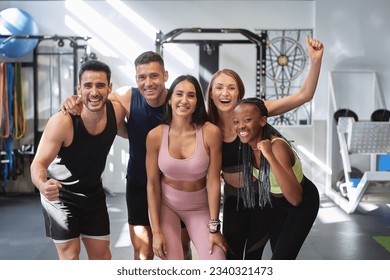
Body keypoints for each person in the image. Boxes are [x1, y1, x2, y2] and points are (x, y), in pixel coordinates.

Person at [61, 51, 191, 260]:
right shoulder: (127, 97)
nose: (148, 83)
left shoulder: (180, 100)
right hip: (139, 183)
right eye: (142, 77)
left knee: (180, 250)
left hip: (175, 186)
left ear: (165, 75)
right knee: (142, 252)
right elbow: (95, 99)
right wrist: (73, 99)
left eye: (154, 76)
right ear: (136, 78)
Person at [205, 37, 324, 259]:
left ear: (239, 93)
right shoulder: (207, 127)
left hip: (262, 196)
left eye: (231, 88)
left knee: (254, 257)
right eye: (219, 87)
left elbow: (304, 96)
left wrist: (315, 61)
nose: (225, 93)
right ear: (211, 94)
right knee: (231, 257)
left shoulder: (256, 110)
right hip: (233, 199)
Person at [30, 60, 127, 260]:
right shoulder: (63, 121)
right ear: (79, 89)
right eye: (88, 85)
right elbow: (37, 164)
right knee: (71, 258)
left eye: (100, 85)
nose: (94, 92)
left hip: (93, 194)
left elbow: (137, 129)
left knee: (102, 258)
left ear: (109, 88)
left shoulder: (116, 112)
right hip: (60, 196)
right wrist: (42, 185)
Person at [146, 75, 227, 260]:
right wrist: (156, 231)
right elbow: (152, 185)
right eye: (179, 94)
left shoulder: (210, 132)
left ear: (197, 101)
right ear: (169, 99)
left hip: (199, 206)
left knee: (217, 259)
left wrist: (215, 227)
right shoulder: (155, 136)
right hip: (167, 206)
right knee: (174, 263)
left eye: (191, 95)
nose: (184, 100)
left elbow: (214, 181)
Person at [232, 97, 320, 259]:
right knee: (277, 255)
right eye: (236, 122)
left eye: (248, 120)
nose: (240, 126)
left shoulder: (276, 147)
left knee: (282, 258)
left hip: (302, 203)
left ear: (263, 121)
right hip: (275, 202)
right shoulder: (245, 148)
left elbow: (295, 199)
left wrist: (269, 156)